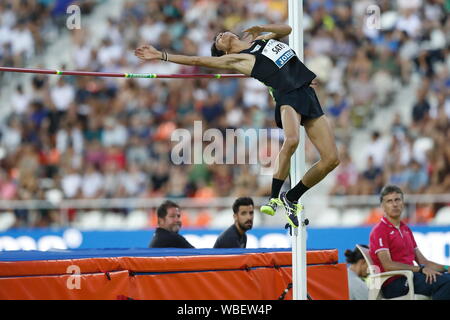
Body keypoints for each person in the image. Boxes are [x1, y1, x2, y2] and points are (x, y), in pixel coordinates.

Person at [135, 24, 339, 228]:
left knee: (331, 159)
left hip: (307, 93)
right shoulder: (237, 59)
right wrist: (161, 55)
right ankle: (274, 196)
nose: (220, 34)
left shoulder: (261, 40)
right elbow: (196, 60)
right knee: (292, 140)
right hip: (287, 96)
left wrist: (261, 28)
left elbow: (287, 30)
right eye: (217, 39)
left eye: (220, 33)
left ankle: (291, 197)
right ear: (223, 51)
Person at [369, 185, 450, 299]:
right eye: (389, 201)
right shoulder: (379, 230)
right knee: (447, 282)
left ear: (403, 203)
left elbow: (423, 261)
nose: (394, 204)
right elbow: (388, 265)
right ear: (382, 206)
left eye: (397, 200)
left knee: (447, 278)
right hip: (394, 283)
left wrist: (446, 268)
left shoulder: (405, 229)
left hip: (410, 277)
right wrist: (420, 269)